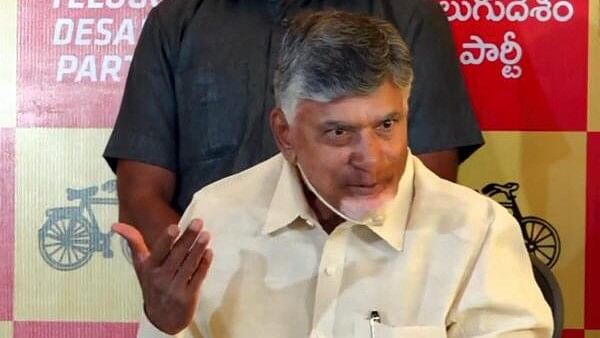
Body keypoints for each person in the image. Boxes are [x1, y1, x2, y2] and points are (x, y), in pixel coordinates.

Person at [114, 11, 552, 337]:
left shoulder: (477, 231)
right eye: (339, 132)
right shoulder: (215, 218)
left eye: (386, 125)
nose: (371, 158)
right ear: (284, 133)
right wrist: (165, 327)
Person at [104, 0, 484, 249]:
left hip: (372, 305)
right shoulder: (178, 22)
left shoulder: (410, 15)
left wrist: (343, 287)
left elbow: (432, 190)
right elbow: (141, 197)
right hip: (221, 309)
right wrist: (206, 280)